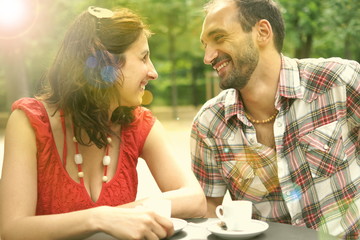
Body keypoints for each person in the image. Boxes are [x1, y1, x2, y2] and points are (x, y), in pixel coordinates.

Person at [0, 6, 206, 240]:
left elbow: (195, 199)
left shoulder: (138, 123)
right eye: (143, 58)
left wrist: (123, 213)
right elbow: (12, 230)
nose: (153, 72)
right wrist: (99, 217)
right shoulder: (29, 122)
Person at [190, 0, 359, 239]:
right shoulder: (209, 124)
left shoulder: (340, 81)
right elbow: (208, 207)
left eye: (219, 37)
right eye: (205, 45)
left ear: (262, 32)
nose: (208, 57)